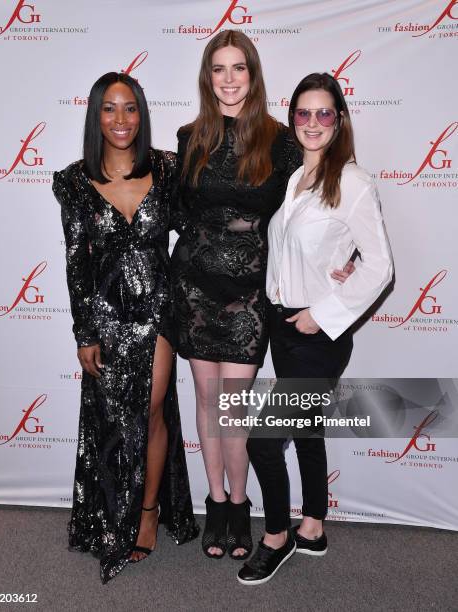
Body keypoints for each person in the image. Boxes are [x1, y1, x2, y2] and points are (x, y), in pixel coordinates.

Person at [238, 72, 394, 585]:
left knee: (262, 441)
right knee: (305, 431)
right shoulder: (295, 178)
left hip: (318, 333)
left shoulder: (351, 182)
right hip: (285, 326)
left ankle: (277, 537)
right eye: (302, 113)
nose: (312, 122)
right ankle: (314, 528)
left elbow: (380, 267)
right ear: (293, 120)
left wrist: (321, 313)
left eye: (323, 113)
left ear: (339, 120)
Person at [52, 72, 198, 584]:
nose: (121, 119)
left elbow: (199, 228)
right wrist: (84, 333)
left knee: (153, 407)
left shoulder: (167, 167)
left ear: (142, 114)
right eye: (110, 109)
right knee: (112, 419)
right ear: (96, 116)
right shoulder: (72, 180)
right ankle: (107, 510)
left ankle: (148, 510)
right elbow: (75, 261)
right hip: (106, 315)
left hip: (158, 311)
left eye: (130, 108)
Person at [170, 30, 303, 560]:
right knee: (206, 399)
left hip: (250, 292)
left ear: (253, 74)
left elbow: (300, 216)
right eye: (218, 69)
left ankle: (242, 502)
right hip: (196, 286)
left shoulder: (280, 140)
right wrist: (211, 232)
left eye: (238, 68)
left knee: (233, 405)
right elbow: (178, 210)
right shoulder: (190, 136)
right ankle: (218, 502)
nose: (228, 79)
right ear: (208, 77)